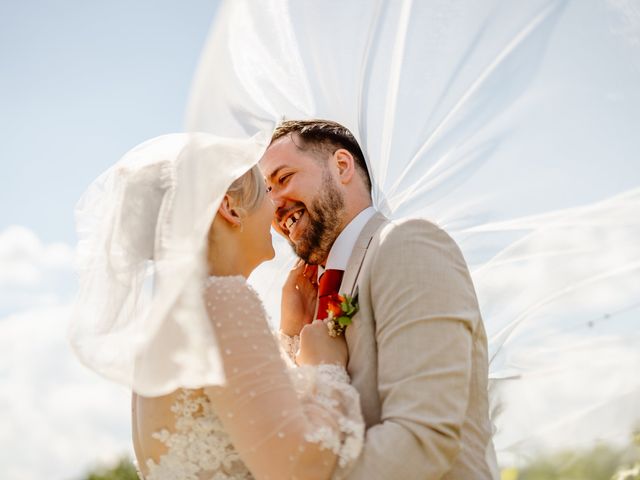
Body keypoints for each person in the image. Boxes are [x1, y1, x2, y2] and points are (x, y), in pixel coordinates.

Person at [69, 132, 364, 480]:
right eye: (267, 190)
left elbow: (243, 419)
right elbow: (300, 465)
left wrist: (291, 333)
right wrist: (324, 364)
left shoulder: (173, 319)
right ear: (230, 207)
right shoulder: (221, 300)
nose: (274, 208)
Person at [260, 119, 499, 479]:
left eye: (284, 178)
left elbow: (422, 440)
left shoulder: (407, 244)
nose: (273, 205)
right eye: (266, 191)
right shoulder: (313, 298)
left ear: (342, 166)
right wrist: (292, 333)